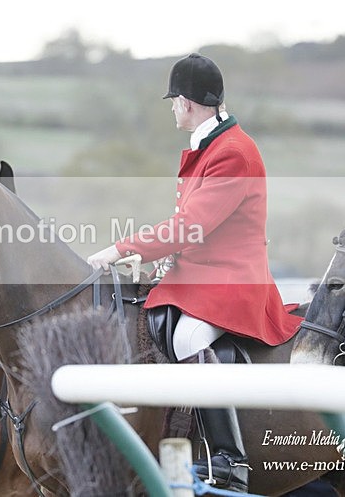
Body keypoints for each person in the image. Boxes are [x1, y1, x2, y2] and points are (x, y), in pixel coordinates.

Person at [87, 53, 301, 493]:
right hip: (201, 272)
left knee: (188, 338)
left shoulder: (233, 153)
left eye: (173, 101)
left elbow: (191, 225)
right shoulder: (211, 144)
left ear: (186, 102)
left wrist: (120, 248)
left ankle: (230, 458)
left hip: (233, 279)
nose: (172, 108)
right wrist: (160, 260)